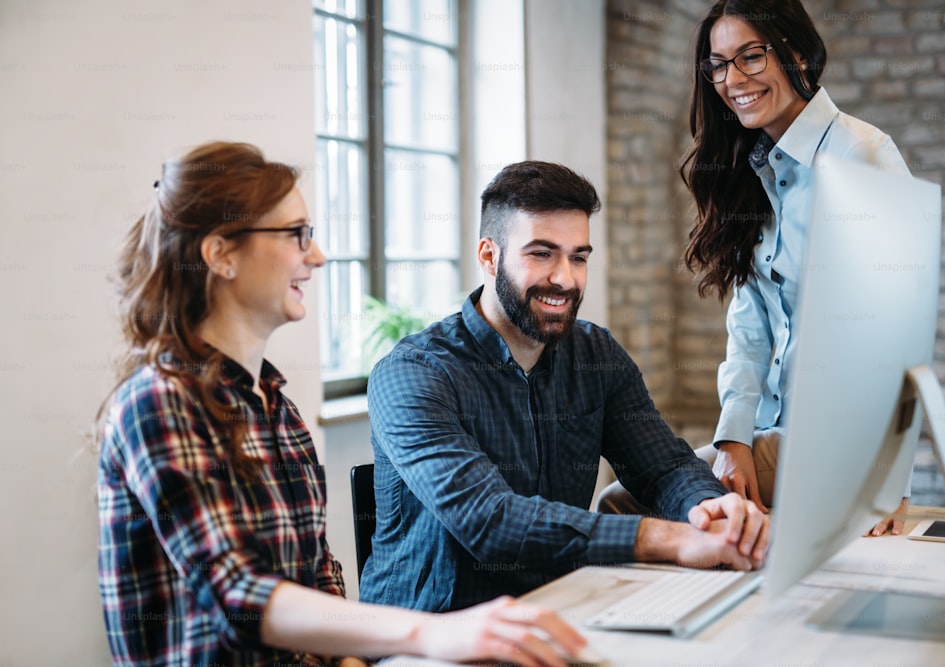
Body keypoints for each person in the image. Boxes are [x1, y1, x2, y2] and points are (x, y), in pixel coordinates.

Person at [96, 141, 590, 667]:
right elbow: (238, 594)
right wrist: (428, 634)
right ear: (220, 255)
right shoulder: (156, 403)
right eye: (296, 235)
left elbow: (319, 578)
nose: (317, 255)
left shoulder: (275, 407)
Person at [360, 160, 769, 614]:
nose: (565, 279)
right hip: (433, 641)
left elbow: (665, 468)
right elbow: (489, 520)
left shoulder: (596, 355)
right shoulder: (413, 373)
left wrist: (711, 512)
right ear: (489, 256)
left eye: (578, 257)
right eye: (541, 253)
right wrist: (668, 538)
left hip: (563, 612)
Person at [601, 0, 911, 535]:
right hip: (779, 434)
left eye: (750, 57)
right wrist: (734, 440)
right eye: (718, 64)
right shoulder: (759, 169)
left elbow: (902, 335)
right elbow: (750, 326)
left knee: (623, 504)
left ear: (795, 53)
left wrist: (884, 483)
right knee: (649, 503)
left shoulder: (863, 156)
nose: (731, 79)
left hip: (842, 446)